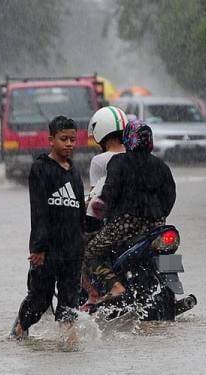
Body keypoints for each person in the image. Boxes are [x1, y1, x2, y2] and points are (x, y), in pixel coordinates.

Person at [83, 119, 176, 302]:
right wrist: (158, 215)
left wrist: (106, 211)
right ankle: (172, 295)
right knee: (169, 256)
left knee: (90, 251)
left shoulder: (119, 162)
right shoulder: (161, 165)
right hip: (157, 226)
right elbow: (170, 197)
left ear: (128, 139)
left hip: (124, 225)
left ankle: (114, 286)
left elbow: (109, 194)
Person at [10, 116, 85, 339]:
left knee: (69, 301)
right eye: (64, 139)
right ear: (51, 140)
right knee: (40, 299)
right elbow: (39, 211)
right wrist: (38, 248)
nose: (69, 144)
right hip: (48, 249)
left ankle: (67, 346)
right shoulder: (41, 169)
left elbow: (80, 211)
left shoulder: (75, 172)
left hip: (73, 249)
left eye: (73, 139)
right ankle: (19, 331)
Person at [82, 106, 127, 309]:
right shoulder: (135, 156)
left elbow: (94, 195)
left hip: (114, 223)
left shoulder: (100, 160)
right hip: (144, 222)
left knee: (85, 250)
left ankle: (95, 293)